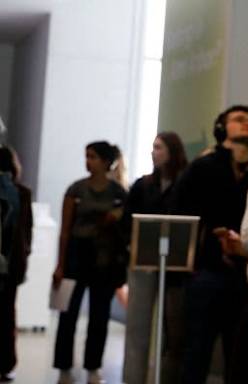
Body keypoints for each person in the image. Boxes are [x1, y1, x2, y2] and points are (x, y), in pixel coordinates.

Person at [172, 105, 248, 384]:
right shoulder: (203, 166)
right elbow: (179, 212)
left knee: (240, 356)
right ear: (223, 127)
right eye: (239, 120)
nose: (247, 124)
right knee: (196, 351)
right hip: (207, 273)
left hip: (246, 276)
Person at [52, 141, 129, 384]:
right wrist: (60, 264)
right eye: (87, 156)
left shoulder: (119, 193)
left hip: (105, 258)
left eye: (93, 157)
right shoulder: (76, 189)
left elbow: (125, 226)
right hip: (77, 254)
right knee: (68, 314)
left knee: (99, 315)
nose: (88, 161)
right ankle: (64, 366)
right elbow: (65, 229)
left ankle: (93, 366)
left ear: (106, 161)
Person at [122, 132, 188, 384]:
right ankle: (133, 379)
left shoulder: (185, 183)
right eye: (152, 147)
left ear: (172, 150)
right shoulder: (142, 185)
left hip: (176, 266)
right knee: (137, 326)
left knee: (175, 331)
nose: (153, 152)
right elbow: (127, 221)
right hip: (143, 262)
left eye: (159, 147)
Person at [0, 146, 32, 382]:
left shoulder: (20, 193)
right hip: (12, 263)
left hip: (9, 262)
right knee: (7, 313)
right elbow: (26, 231)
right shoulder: (22, 192)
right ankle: (5, 363)